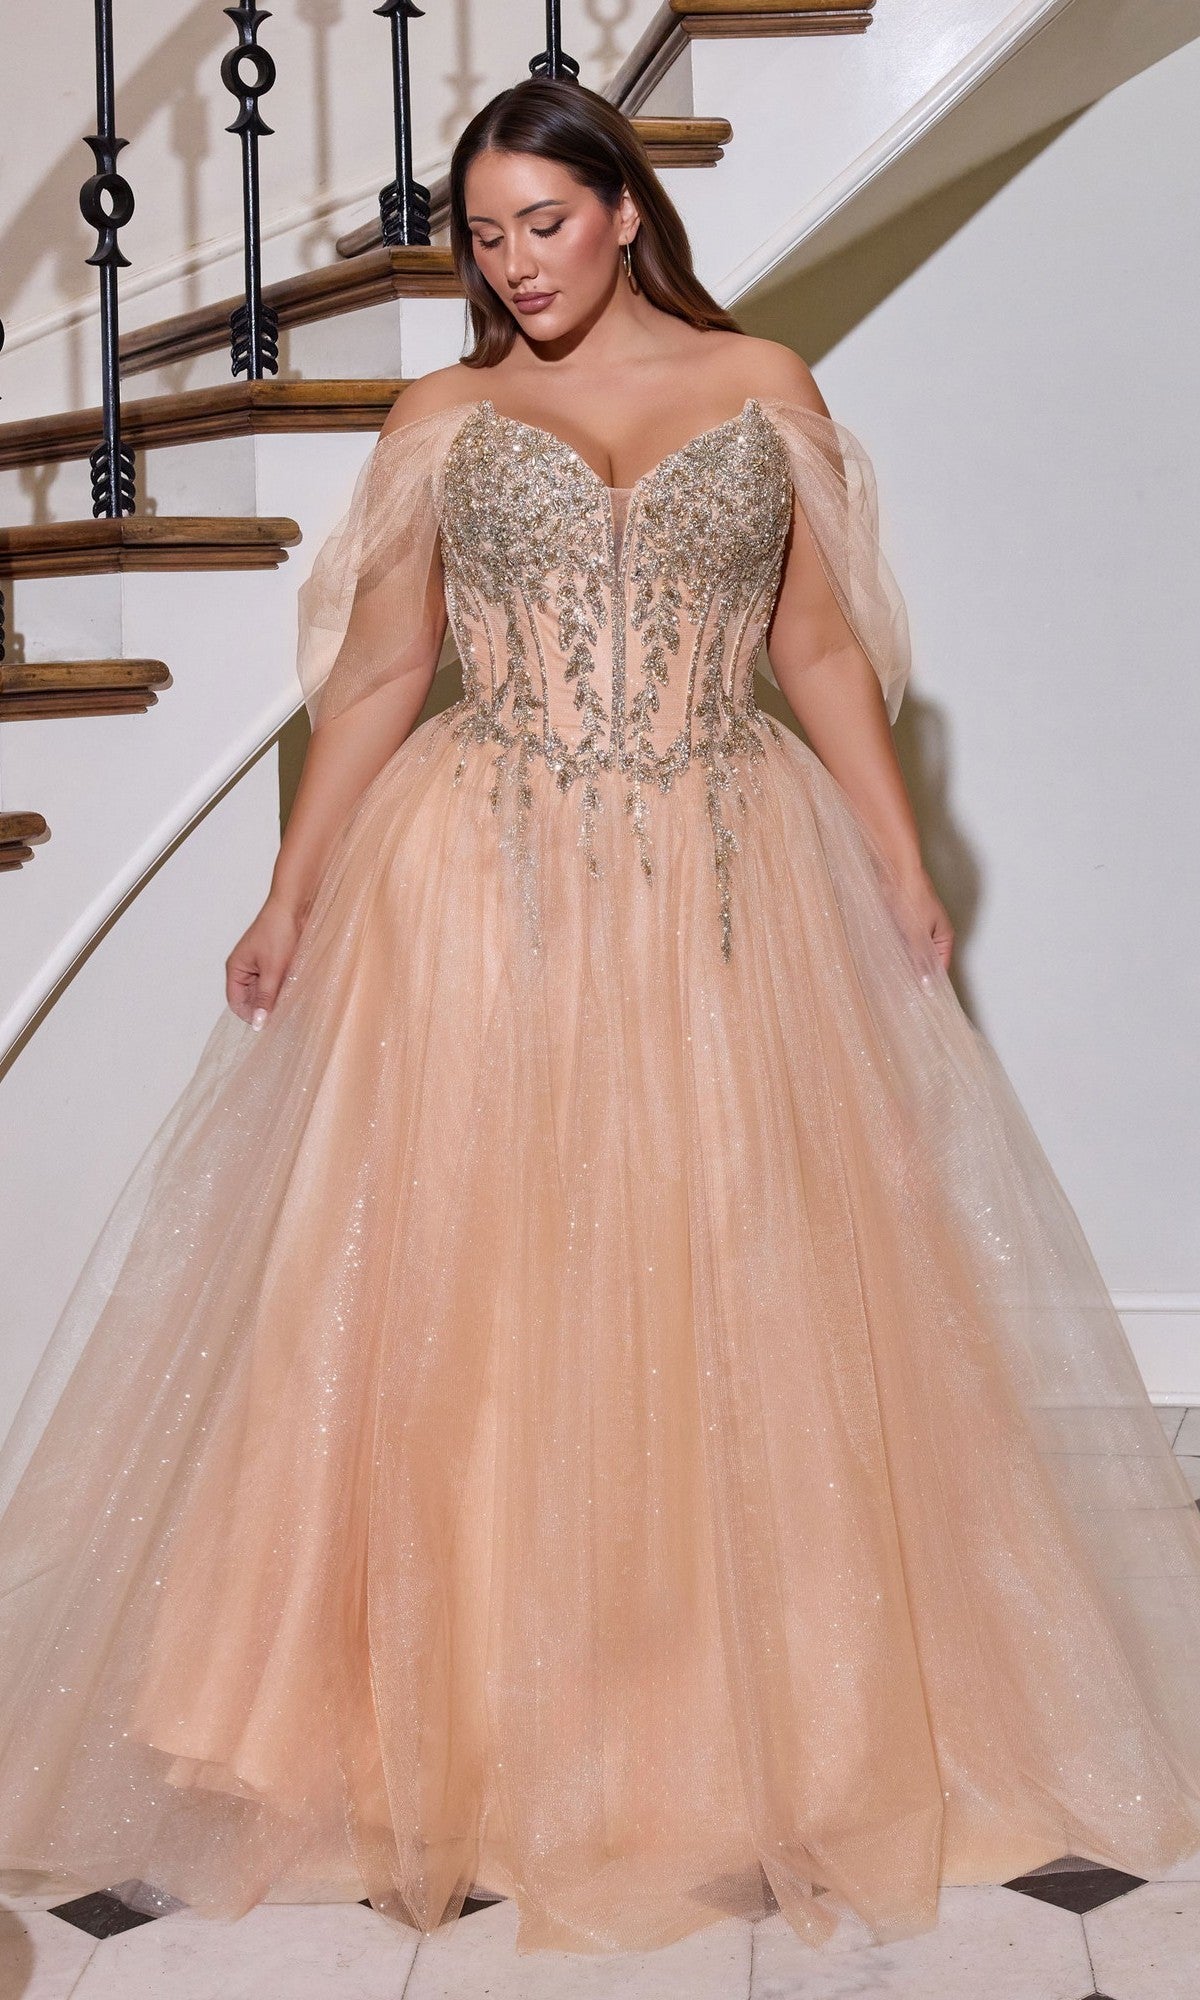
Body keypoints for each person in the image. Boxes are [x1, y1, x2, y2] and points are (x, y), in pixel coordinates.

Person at [1, 74, 1199, 1963]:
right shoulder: (444, 414)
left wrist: (902, 872)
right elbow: (389, 665)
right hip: (479, 881)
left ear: (625, 211)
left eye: (539, 225)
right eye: (481, 236)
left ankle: (719, 1726)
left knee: (729, 1274)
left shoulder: (769, 388)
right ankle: (445, 1726)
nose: (511, 264)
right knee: (465, 1293)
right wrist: (290, 891)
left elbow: (814, 645)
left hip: (728, 862)